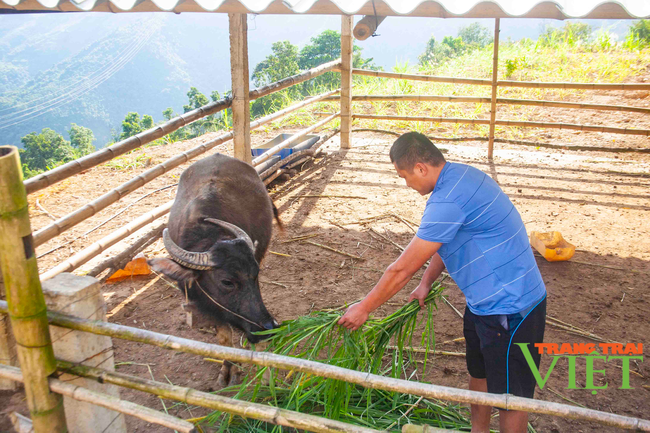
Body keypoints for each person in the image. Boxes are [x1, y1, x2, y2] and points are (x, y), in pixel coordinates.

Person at [338, 132, 546, 433]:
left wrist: (364, 308)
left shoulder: (448, 199)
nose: (406, 184)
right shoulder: (460, 177)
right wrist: (426, 282)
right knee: (480, 375)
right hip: (483, 304)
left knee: (511, 399)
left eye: (403, 175)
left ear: (421, 168)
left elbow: (399, 270)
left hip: (513, 307)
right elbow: (445, 241)